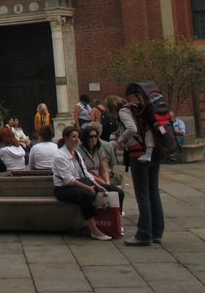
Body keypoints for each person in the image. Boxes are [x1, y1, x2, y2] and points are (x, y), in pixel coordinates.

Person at [108, 92, 165, 246]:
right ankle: (157, 232)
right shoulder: (136, 109)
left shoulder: (123, 111)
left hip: (138, 154)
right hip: (153, 152)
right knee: (154, 192)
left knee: (143, 195)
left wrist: (120, 140)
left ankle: (144, 234)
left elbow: (132, 129)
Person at [51, 125, 113, 241]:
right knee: (85, 195)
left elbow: (85, 173)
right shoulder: (60, 156)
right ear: (66, 138)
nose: (76, 139)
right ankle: (94, 230)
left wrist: (99, 185)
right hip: (63, 189)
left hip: (77, 184)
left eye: (77, 137)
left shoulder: (76, 154)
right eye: (73, 137)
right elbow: (68, 179)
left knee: (109, 190)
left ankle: (107, 223)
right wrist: (88, 188)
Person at [77, 124, 124, 212]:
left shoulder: (99, 150)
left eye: (95, 136)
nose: (93, 139)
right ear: (85, 138)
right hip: (87, 179)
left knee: (119, 192)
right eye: (91, 137)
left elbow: (103, 169)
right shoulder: (80, 151)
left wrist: (107, 182)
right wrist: (101, 182)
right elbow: (85, 171)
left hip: (99, 178)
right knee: (94, 194)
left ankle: (117, 214)